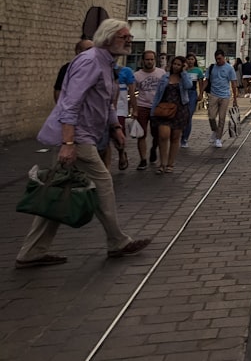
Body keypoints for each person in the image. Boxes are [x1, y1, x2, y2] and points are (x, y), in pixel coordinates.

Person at [16, 19, 150, 268]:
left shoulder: (107, 63)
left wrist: (115, 127)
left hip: (85, 136)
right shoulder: (90, 61)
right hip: (77, 138)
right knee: (102, 183)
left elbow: (104, 101)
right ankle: (117, 241)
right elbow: (70, 103)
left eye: (130, 37)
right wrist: (68, 142)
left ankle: (31, 252)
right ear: (108, 38)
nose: (129, 41)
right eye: (124, 37)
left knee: (57, 190)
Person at [149, 56, 193, 174]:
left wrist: (183, 72)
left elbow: (189, 86)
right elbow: (158, 94)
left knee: (175, 137)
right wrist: (153, 110)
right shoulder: (165, 77)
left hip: (180, 110)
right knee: (163, 135)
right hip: (164, 109)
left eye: (179, 65)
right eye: (175, 64)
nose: (176, 66)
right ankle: (162, 163)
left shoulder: (185, 77)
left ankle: (170, 163)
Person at [133, 50, 166, 171]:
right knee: (141, 134)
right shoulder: (137, 75)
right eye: (147, 59)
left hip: (157, 107)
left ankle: (154, 148)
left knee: (157, 134)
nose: (150, 62)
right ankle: (142, 159)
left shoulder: (161, 73)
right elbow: (132, 92)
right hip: (142, 106)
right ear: (143, 61)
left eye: (152, 59)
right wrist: (134, 109)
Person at [206, 50, 240, 148]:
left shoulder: (229, 68)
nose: (218, 61)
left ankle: (218, 138)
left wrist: (235, 98)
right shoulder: (212, 68)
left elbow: (233, 83)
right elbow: (206, 80)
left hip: (225, 96)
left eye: (220, 59)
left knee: (222, 118)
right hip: (213, 94)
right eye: (216, 59)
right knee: (211, 116)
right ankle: (215, 130)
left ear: (224, 57)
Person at [54, 38, 94, 103]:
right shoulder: (68, 68)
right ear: (79, 51)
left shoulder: (98, 68)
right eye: (89, 49)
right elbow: (59, 89)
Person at [181, 53, 204, 148]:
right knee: (181, 115)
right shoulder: (183, 70)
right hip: (182, 93)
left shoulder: (198, 70)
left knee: (189, 115)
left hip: (192, 93)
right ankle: (180, 134)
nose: (190, 61)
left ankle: (185, 138)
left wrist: (201, 94)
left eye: (192, 59)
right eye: (189, 59)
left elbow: (201, 83)